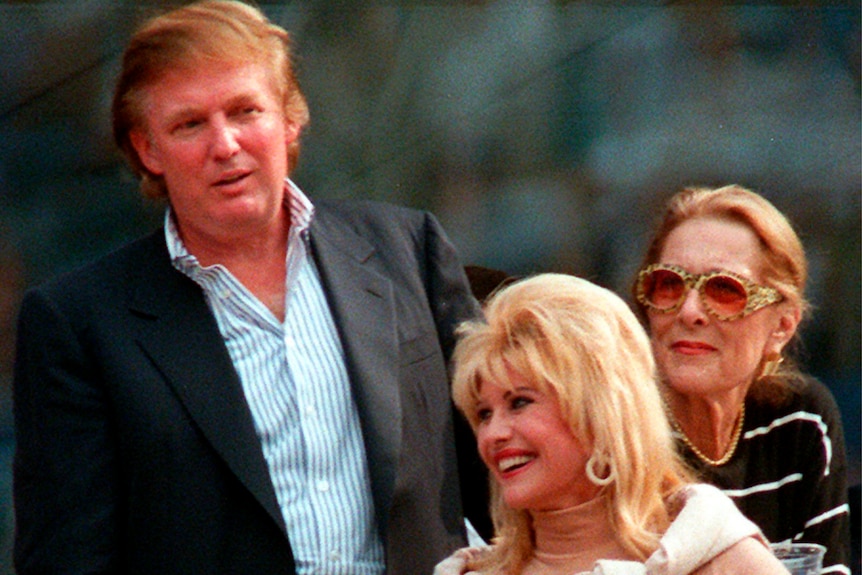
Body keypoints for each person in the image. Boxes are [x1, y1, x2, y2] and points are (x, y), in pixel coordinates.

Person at [12, 1, 489, 573]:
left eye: (245, 111)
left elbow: (500, 471)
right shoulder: (78, 324)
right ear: (147, 149)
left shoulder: (407, 251)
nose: (225, 145)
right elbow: (68, 559)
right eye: (190, 124)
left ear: (290, 119)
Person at [435, 273, 789, 575]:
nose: (493, 434)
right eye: (484, 413)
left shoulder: (719, 557)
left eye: (520, 402)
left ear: (601, 409)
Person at [631, 184, 850, 573]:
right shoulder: (620, 429)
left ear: (781, 326)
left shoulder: (801, 420)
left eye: (725, 291)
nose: (690, 312)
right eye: (669, 285)